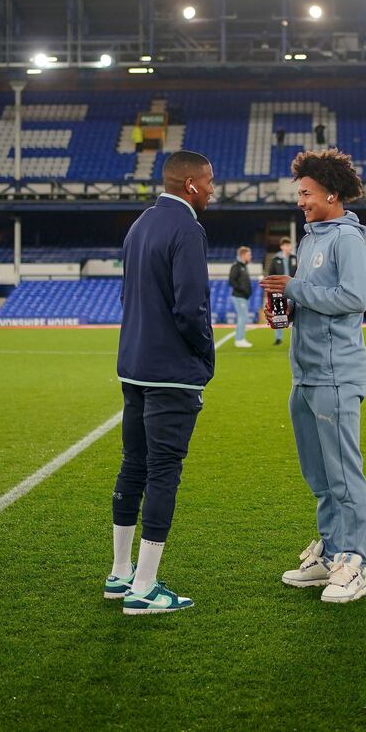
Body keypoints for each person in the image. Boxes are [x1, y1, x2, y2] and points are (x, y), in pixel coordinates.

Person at [260, 148, 366, 605]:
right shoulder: (309, 239)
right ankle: (330, 553)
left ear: (331, 192)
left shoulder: (348, 239)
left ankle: (355, 561)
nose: (301, 201)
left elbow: (353, 297)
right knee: (319, 476)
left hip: (335, 375)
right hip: (304, 375)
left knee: (344, 474)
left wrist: (294, 288)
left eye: (306, 193)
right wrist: (280, 310)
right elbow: (306, 299)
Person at [108, 150, 218, 615]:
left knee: (134, 464)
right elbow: (190, 307)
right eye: (209, 181)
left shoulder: (140, 224)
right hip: (169, 371)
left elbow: (124, 294)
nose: (214, 188)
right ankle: (146, 587)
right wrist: (205, 354)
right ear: (190, 184)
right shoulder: (186, 228)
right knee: (163, 472)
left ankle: (119, 574)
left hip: (133, 365)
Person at [267, 238, 298, 346]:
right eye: (287, 245)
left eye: (290, 245)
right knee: (278, 312)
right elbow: (270, 274)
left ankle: (295, 338)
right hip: (279, 290)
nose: (289, 248)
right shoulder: (276, 260)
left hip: (293, 289)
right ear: (282, 247)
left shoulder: (295, 258)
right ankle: (278, 338)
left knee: (295, 312)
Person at [228, 246, 254, 348]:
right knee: (242, 317)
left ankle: (240, 339)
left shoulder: (244, 266)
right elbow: (231, 281)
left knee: (243, 317)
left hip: (243, 296)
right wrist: (242, 290)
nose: (250, 256)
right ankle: (239, 339)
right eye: (249, 254)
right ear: (243, 255)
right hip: (239, 296)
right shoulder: (237, 266)